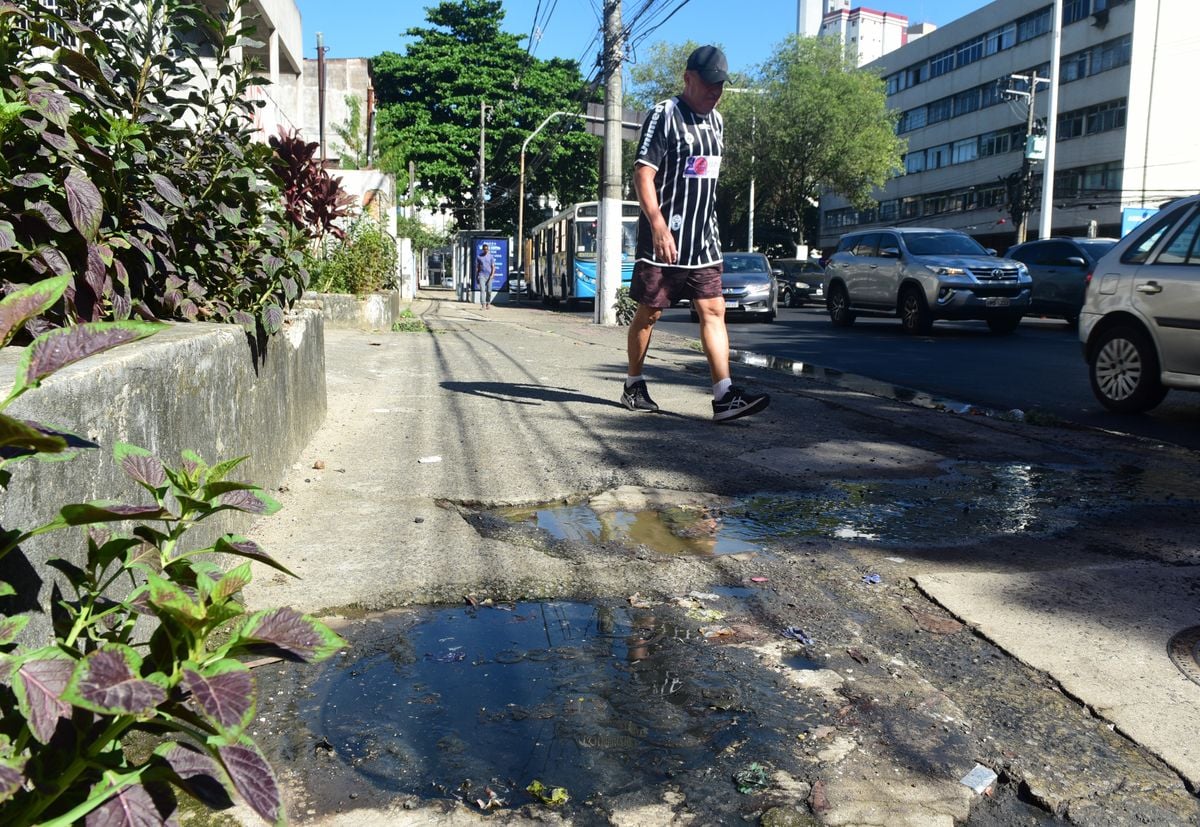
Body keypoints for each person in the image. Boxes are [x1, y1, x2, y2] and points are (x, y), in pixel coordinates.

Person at [621, 45, 770, 423]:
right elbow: (643, 174)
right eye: (709, 84)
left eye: (720, 85)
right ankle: (633, 384)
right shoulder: (663, 115)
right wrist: (656, 223)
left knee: (713, 309)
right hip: (665, 238)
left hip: (703, 239)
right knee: (650, 313)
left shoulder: (717, 122)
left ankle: (724, 396)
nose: (715, 91)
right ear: (688, 78)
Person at [475, 243, 496, 309]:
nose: (486, 250)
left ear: (488, 249)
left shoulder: (491, 256)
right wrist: (477, 275)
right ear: (483, 249)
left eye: (487, 249)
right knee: (482, 290)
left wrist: (492, 275)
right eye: (484, 249)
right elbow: (477, 267)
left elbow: (493, 267)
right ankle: (483, 304)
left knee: (489, 290)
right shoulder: (479, 257)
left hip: (489, 276)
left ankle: (488, 302)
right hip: (481, 275)